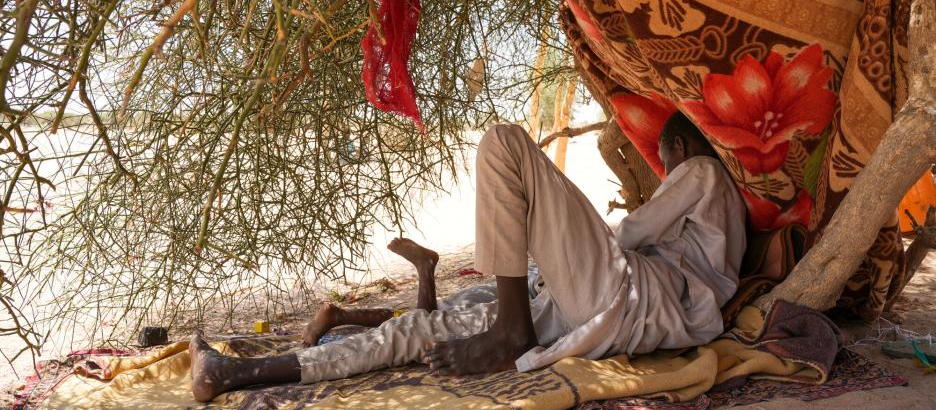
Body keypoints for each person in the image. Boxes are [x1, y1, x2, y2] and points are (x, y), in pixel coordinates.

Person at [190, 112, 747, 402]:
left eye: (666, 160)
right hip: (608, 310)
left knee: (503, 142)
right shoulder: (716, 227)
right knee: (422, 330)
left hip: (624, 297)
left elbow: (631, 233)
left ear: (683, 149)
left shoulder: (703, 170)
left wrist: (564, 236)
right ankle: (234, 372)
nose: (668, 170)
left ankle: (510, 330)